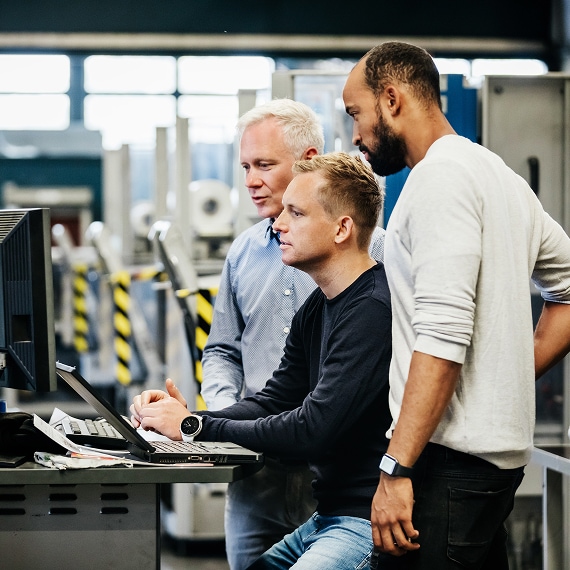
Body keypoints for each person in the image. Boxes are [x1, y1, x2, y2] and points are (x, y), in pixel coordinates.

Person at [343, 41, 570, 569]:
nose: (355, 134)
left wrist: (395, 468)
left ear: (392, 99)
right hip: (488, 468)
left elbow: (442, 338)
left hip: (445, 465)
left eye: (357, 113)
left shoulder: (439, 180)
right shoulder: (500, 177)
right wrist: (506, 372)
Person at [131, 152, 393, 570]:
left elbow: (312, 428)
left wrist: (192, 426)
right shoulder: (319, 307)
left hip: (364, 521)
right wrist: (184, 419)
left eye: (296, 213)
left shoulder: (373, 309)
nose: (278, 224)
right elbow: (272, 401)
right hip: (330, 517)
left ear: (342, 228)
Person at [198, 99, 385, 569]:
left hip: (342, 484)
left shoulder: (374, 276)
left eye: (264, 164)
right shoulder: (304, 299)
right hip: (265, 461)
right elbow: (231, 355)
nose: (251, 180)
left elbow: (314, 424)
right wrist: (202, 424)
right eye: (245, 166)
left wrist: (199, 426)